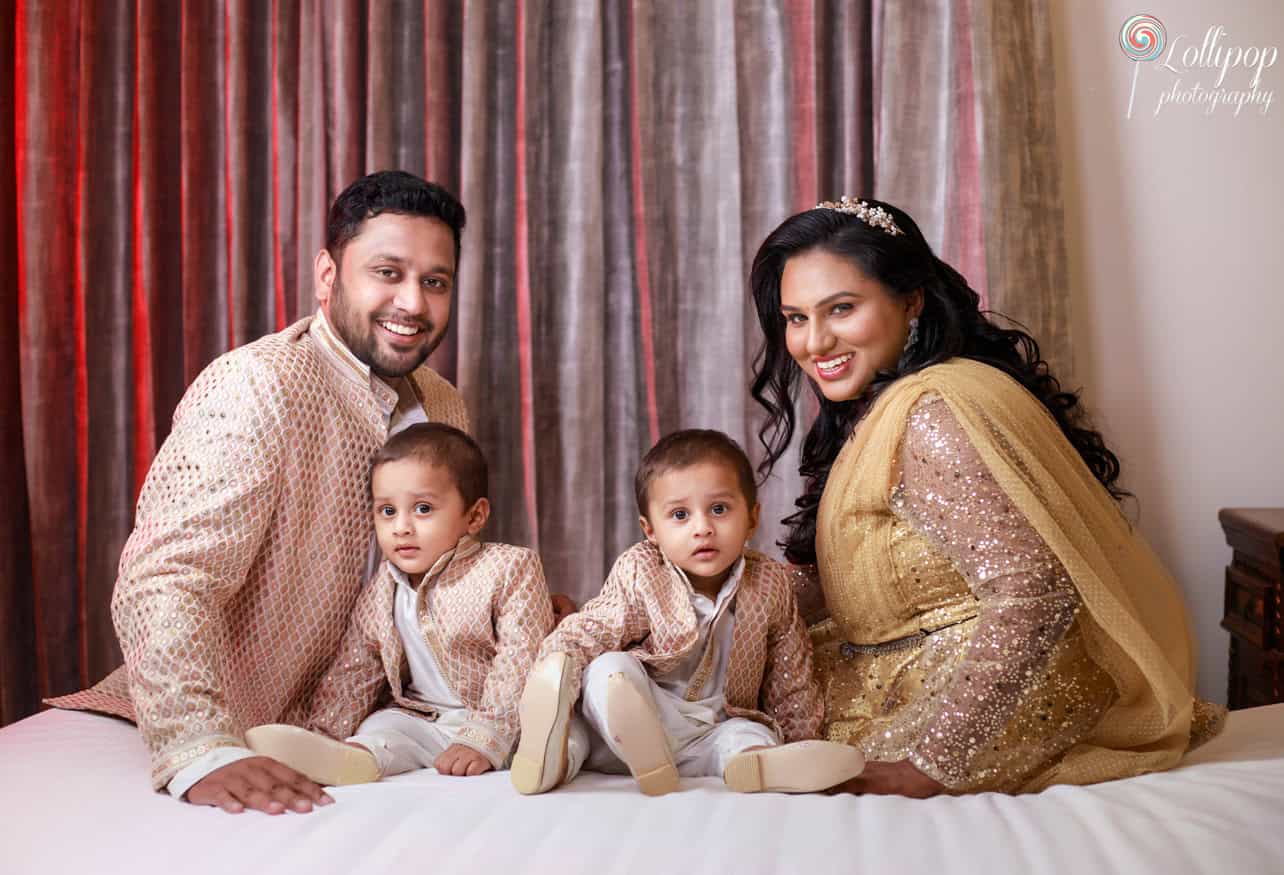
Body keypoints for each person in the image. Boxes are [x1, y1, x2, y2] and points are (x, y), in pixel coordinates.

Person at [748, 196, 1224, 797]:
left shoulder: (932, 411)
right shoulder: (897, 404)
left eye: (840, 309)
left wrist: (931, 764)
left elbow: (1035, 591)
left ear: (911, 300)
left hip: (985, 697)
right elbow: (860, 584)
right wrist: (713, 587)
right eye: (795, 318)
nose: (814, 342)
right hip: (900, 668)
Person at [50, 171, 474, 814]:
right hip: (225, 723)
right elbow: (165, 577)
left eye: (434, 281)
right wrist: (201, 747)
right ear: (328, 277)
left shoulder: (442, 406)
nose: (412, 303)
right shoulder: (258, 387)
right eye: (387, 272)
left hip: (358, 729)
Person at [511, 429, 864, 796]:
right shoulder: (643, 571)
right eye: (680, 515)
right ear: (651, 530)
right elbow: (594, 628)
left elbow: (790, 674)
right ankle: (557, 757)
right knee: (609, 672)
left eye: (719, 509)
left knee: (746, 736)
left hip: (710, 729)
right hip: (629, 721)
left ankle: (764, 764)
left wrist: (799, 738)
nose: (703, 528)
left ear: (753, 517)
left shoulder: (769, 583)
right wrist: (558, 670)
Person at [245, 423, 554, 784]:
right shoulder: (382, 590)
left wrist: (486, 735)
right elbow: (355, 670)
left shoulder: (508, 567)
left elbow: (520, 658)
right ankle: (346, 758)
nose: (401, 527)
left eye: (422, 509)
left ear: (474, 516)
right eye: (387, 511)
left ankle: (534, 751)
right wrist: (324, 733)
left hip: (503, 720)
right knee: (381, 725)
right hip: (426, 720)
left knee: (553, 728)